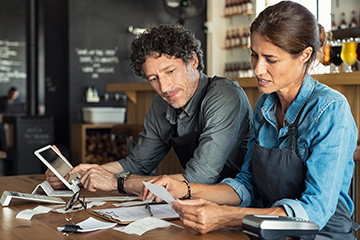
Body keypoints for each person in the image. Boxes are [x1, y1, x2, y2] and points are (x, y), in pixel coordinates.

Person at [141, 2, 359, 239]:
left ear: (304, 55)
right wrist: (185, 189)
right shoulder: (264, 107)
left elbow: (315, 212)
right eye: (254, 55)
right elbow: (247, 183)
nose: (257, 69)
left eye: (270, 59)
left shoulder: (330, 109)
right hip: (265, 230)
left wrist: (227, 216)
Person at [46, 23, 254, 195]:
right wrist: (80, 174)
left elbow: (199, 178)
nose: (164, 88)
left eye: (170, 71)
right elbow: (138, 163)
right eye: (153, 79)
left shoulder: (224, 95)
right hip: (196, 204)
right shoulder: (161, 104)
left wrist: (116, 182)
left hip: (240, 204)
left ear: (193, 60)